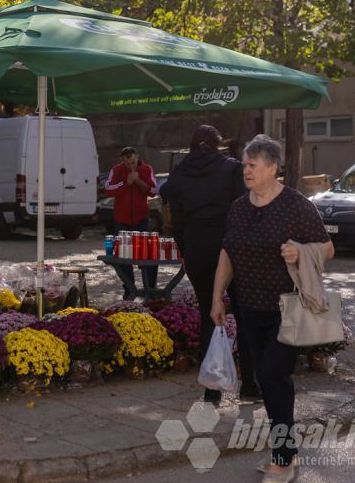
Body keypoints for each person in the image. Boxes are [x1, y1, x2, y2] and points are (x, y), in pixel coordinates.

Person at [210, 134, 334, 483]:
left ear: (273, 168)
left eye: (252, 165)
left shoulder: (296, 206)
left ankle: (283, 456)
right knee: (268, 378)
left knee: (272, 374)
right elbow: (228, 253)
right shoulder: (238, 208)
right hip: (250, 306)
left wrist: (301, 250)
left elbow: (327, 248)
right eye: (245, 164)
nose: (245, 170)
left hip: (288, 308)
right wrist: (218, 297)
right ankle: (285, 451)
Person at [160, 125, 259, 405]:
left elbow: (175, 220)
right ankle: (250, 383)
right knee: (242, 312)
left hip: (196, 247)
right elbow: (245, 209)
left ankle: (212, 390)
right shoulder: (231, 169)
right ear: (218, 145)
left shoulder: (180, 173)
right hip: (229, 247)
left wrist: (186, 246)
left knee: (208, 313)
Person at [104, 146, 158, 299]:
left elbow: (154, 191)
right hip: (122, 221)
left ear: (137, 157)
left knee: (149, 255)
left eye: (133, 163)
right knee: (123, 257)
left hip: (141, 220)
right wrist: (125, 183)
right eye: (127, 164)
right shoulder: (116, 170)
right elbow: (108, 189)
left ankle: (151, 289)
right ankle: (129, 287)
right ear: (122, 161)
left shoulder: (147, 169)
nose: (131, 166)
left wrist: (138, 181)